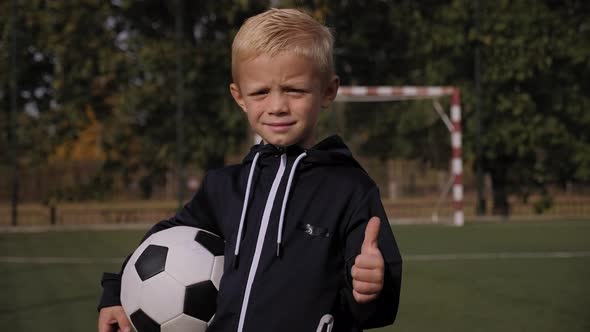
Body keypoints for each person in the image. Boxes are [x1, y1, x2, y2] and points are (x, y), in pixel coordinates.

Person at [98, 8, 402, 332]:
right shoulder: (224, 187)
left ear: (328, 91)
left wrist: (371, 288)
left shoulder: (350, 188)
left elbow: (377, 311)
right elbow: (162, 240)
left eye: (294, 90)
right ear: (239, 97)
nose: (277, 106)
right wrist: (115, 292)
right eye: (260, 92)